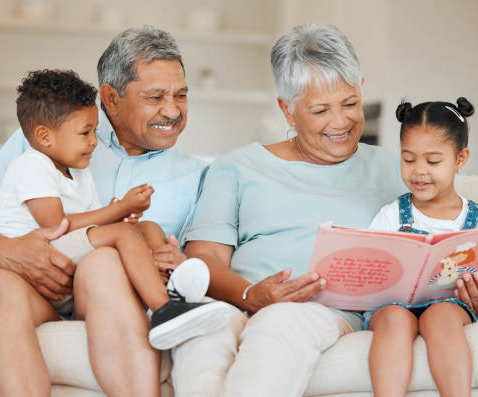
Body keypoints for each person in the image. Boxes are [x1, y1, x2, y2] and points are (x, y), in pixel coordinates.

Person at [0, 26, 217, 397]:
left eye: (181, 96)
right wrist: (14, 253)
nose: (172, 110)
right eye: (155, 97)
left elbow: (205, 266)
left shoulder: (199, 177)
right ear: (111, 97)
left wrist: (176, 261)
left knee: (103, 263)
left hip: (104, 292)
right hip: (26, 292)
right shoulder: (51, 138)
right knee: (0, 283)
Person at [172, 23, 405, 397]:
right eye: (320, 110)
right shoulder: (236, 167)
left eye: (350, 103)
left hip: (325, 312)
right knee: (201, 332)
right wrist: (251, 294)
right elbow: (204, 258)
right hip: (238, 300)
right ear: (287, 109)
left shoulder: (397, 169)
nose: (341, 122)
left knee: (282, 322)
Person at [0, 68, 229, 351]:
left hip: (63, 250)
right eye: (85, 132)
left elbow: (94, 221)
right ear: (45, 136)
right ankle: (164, 310)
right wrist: (119, 211)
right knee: (124, 235)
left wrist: (122, 213)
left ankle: (167, 283)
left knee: (146, 227)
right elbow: (55, 224)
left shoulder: (78, 172)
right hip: (41, 261)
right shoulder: (31, 166)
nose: (94, 141)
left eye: (94, 130)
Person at [365, 98, 478, 397]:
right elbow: (370, 271)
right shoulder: (390, 215)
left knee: (441, 314)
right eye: (408, 159)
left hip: (452, 307)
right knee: (394, 317)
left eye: (432, 161)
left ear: (460, 159)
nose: (419, 171)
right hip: (392, 305)